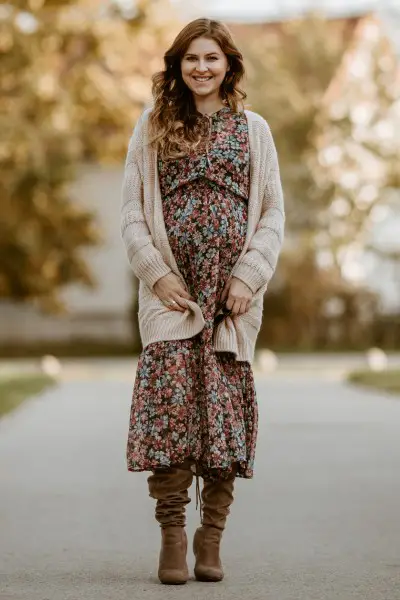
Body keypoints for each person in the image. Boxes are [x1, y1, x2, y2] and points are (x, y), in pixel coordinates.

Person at [120, 17, 285, 585]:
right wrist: (157, 275)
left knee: (222, 421)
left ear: (229, 65)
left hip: (230, 301)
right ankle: (170, 533)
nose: (201, 67)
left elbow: (271, 215)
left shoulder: (254, 130)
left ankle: (210, 535)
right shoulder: (154, 126)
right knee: (169, 419)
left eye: (212, 58)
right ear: (178, 66)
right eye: (191, 58)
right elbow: (133, 213)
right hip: (173, 297)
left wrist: (249, 276)